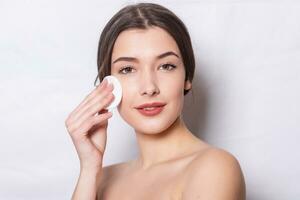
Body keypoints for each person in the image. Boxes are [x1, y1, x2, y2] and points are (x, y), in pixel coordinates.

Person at [65, 2, 246, 200]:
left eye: (166, 66)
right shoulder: (100, 178)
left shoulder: (214, 168)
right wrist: (89, 169)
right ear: (108, 85)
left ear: (187, 78)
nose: (149, 88)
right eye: (128, 69)